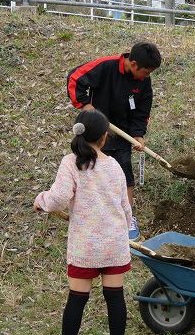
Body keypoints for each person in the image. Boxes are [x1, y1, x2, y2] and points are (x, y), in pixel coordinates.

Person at [34, 110, 132, 335]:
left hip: (85, 245)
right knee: (115, 297)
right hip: (113, 243)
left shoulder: (71, 163)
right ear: (104, 137)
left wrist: (41, 201)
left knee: (77, 300)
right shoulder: (115, 166)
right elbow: (125, 206)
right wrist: (123, 230)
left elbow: (58, 198)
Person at [67, 42, 162, 240]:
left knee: (124, 172)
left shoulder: (144, 82)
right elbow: (75, 78)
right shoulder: (106, 66)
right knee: (89, 172)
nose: (146, 76)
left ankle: (127, 220)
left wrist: (137, 134)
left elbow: (143, 109)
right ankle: (88, 216)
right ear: (133, 64)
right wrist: (85, 106)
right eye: (145, 71)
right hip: (93, 133)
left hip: (122, 134)